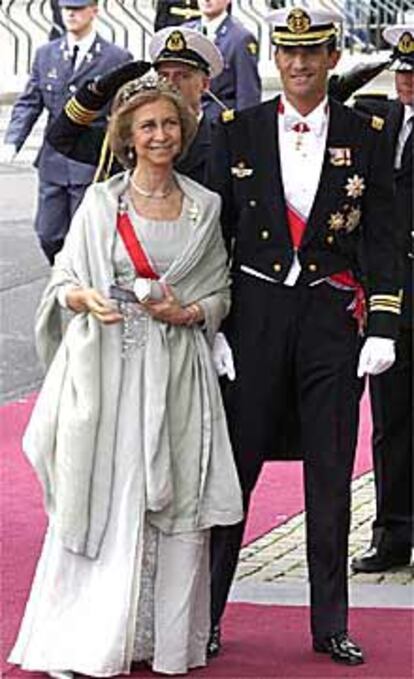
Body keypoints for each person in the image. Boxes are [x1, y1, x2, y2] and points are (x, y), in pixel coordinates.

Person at [8, 75, 243, 678]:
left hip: (177, 373)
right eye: (148, 127)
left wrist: (188, 311)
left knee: (170, 501)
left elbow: (219, 290)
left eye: (169, 124)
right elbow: (63, 284)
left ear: (182, 132)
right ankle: (84, 638)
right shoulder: (99, 203)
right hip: (108, 368)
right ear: (129, 138)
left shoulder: (204, 205)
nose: (160, 135)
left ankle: (160, 641)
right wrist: (87, 298)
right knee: (106, 494)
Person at [207, 6, 401, 665]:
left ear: (330, 56)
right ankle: (204, 614)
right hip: (255, 318)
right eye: (288, 54)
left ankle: (329, 624)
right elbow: (215, 235)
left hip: (329, 321)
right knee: (234, 476)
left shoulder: (365, 131)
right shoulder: (240, 130)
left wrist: (384, 321)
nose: (299, 65)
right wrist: (215, 324)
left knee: (330, 475)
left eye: (312, 52)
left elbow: (382, 235)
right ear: (275, 58)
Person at [351, 24, 413, 574]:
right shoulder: (383, 118)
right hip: (391, 300)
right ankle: (392, 533)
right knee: (391, 423)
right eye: (401, 70)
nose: (406, 81)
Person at [3, 0, 131, 264]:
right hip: (53, 159)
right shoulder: (46, 53)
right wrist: (13, 140)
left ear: (94, 11)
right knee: (48, 233)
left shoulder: (115, 58)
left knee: (84, 234)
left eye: (79, 8)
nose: (72, 14)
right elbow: (30, 101)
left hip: (89, 161)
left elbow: (123, 111)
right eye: (67, 9)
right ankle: (65, 274)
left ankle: (78, 287)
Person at [47, 27, 223, 184]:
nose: (171, 84)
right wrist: (96, 92)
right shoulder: (132, 137)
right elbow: (62, 139)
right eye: (163, 76)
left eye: (183, 76)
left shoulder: (222, 140)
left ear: (205, 84)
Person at [187, 0, 261, 120]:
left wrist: (245, 127)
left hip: (221, 118)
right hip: (189, 117)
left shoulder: (240, 38)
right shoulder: (187, 33)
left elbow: (248, 92)